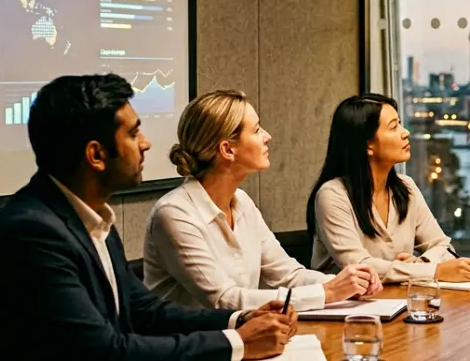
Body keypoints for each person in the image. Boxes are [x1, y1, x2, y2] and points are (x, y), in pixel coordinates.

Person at [0, 74, 287, 361]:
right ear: (96, 155)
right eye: (134, 133)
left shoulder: (89, 217)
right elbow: (107, 353)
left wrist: (238, 319)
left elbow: (145, 311)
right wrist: (239, 344)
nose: (148, 143)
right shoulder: (33, 234)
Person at [145, 90, 382, 312]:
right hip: (189, 350)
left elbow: (287, 274)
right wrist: (327, 292)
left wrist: (347, 284)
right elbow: (224, 299)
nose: (267, 136)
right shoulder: (174, 214)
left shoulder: (242, 201)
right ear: (228, 150)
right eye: (257, 130)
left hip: (239, 339)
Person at [309, 93, 470, 283]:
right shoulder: (332, 195)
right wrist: (434, 271)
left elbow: (442, 245)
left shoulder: (405, 187)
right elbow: (360, 267)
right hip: (346, 309)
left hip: (396, 303)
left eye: (400, 123)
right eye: (393, 127)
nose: (405, 131)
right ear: (368, 145)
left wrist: (422, 263)